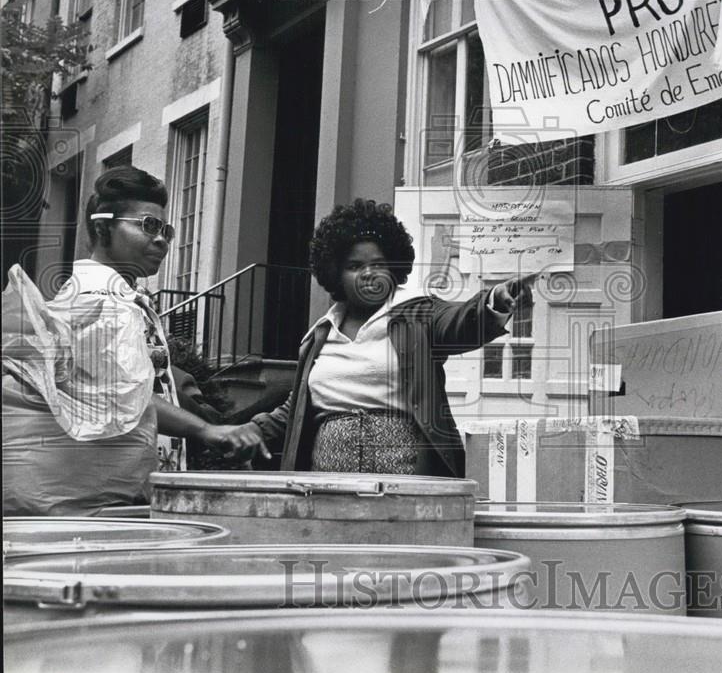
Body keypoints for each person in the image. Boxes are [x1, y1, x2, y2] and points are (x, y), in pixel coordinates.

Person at [1, 167, 266, 514]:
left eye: (166, 230)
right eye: (148, 225)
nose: (162, 240)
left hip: (113, 492)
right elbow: (121, 397)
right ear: (102, 227)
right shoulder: (99, 301)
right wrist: (206, 430)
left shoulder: (116, 297)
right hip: (100, 501)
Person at [251, 199, 530, 477]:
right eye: (355, 266)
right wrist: (254, 430)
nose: (368, 274)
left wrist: (493, 301)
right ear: (335, 273)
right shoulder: (320, 334)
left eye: (378, 264)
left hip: (407, 486)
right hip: (327, 487)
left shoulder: (419, 314)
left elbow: (460, 322)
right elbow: (299, 405)